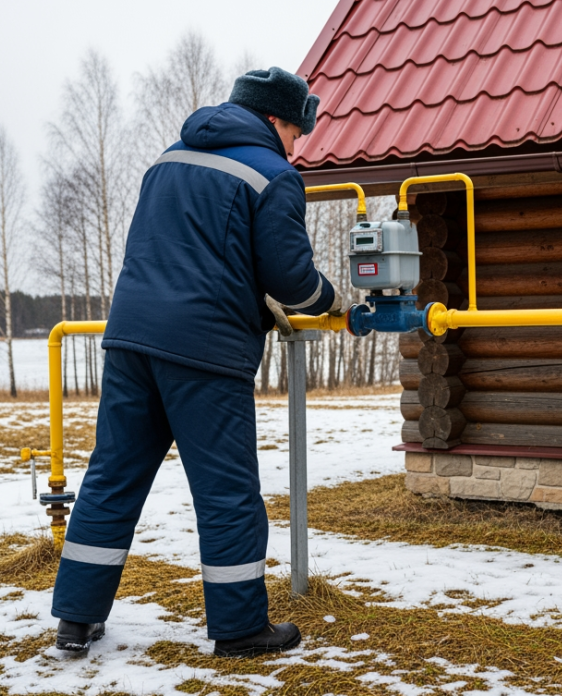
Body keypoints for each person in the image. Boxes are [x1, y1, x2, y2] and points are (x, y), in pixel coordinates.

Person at [49, 67, 339, 658]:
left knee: (111, 478)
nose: (296, 146)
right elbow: (290, 278)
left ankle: (76, 620)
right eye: (296, 132)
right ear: (275, 119)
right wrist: (332, 303)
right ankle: (239, 629)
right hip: (205, 350)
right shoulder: (273, 174)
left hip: (130, 339)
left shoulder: (167, 159)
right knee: (227, 491)